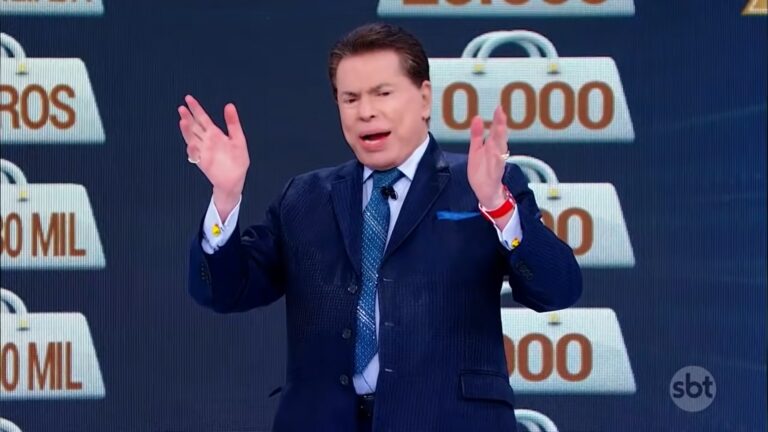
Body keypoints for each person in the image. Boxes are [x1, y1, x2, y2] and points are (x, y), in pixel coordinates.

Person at [179, 22, 581, 432]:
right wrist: (225, 196)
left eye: (382, 94)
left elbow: (558, 290)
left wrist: (497, 207)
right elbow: (223, 291)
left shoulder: (485, 185)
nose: (365, 112)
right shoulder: (304, 197)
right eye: (350, 98)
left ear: (424, 98)